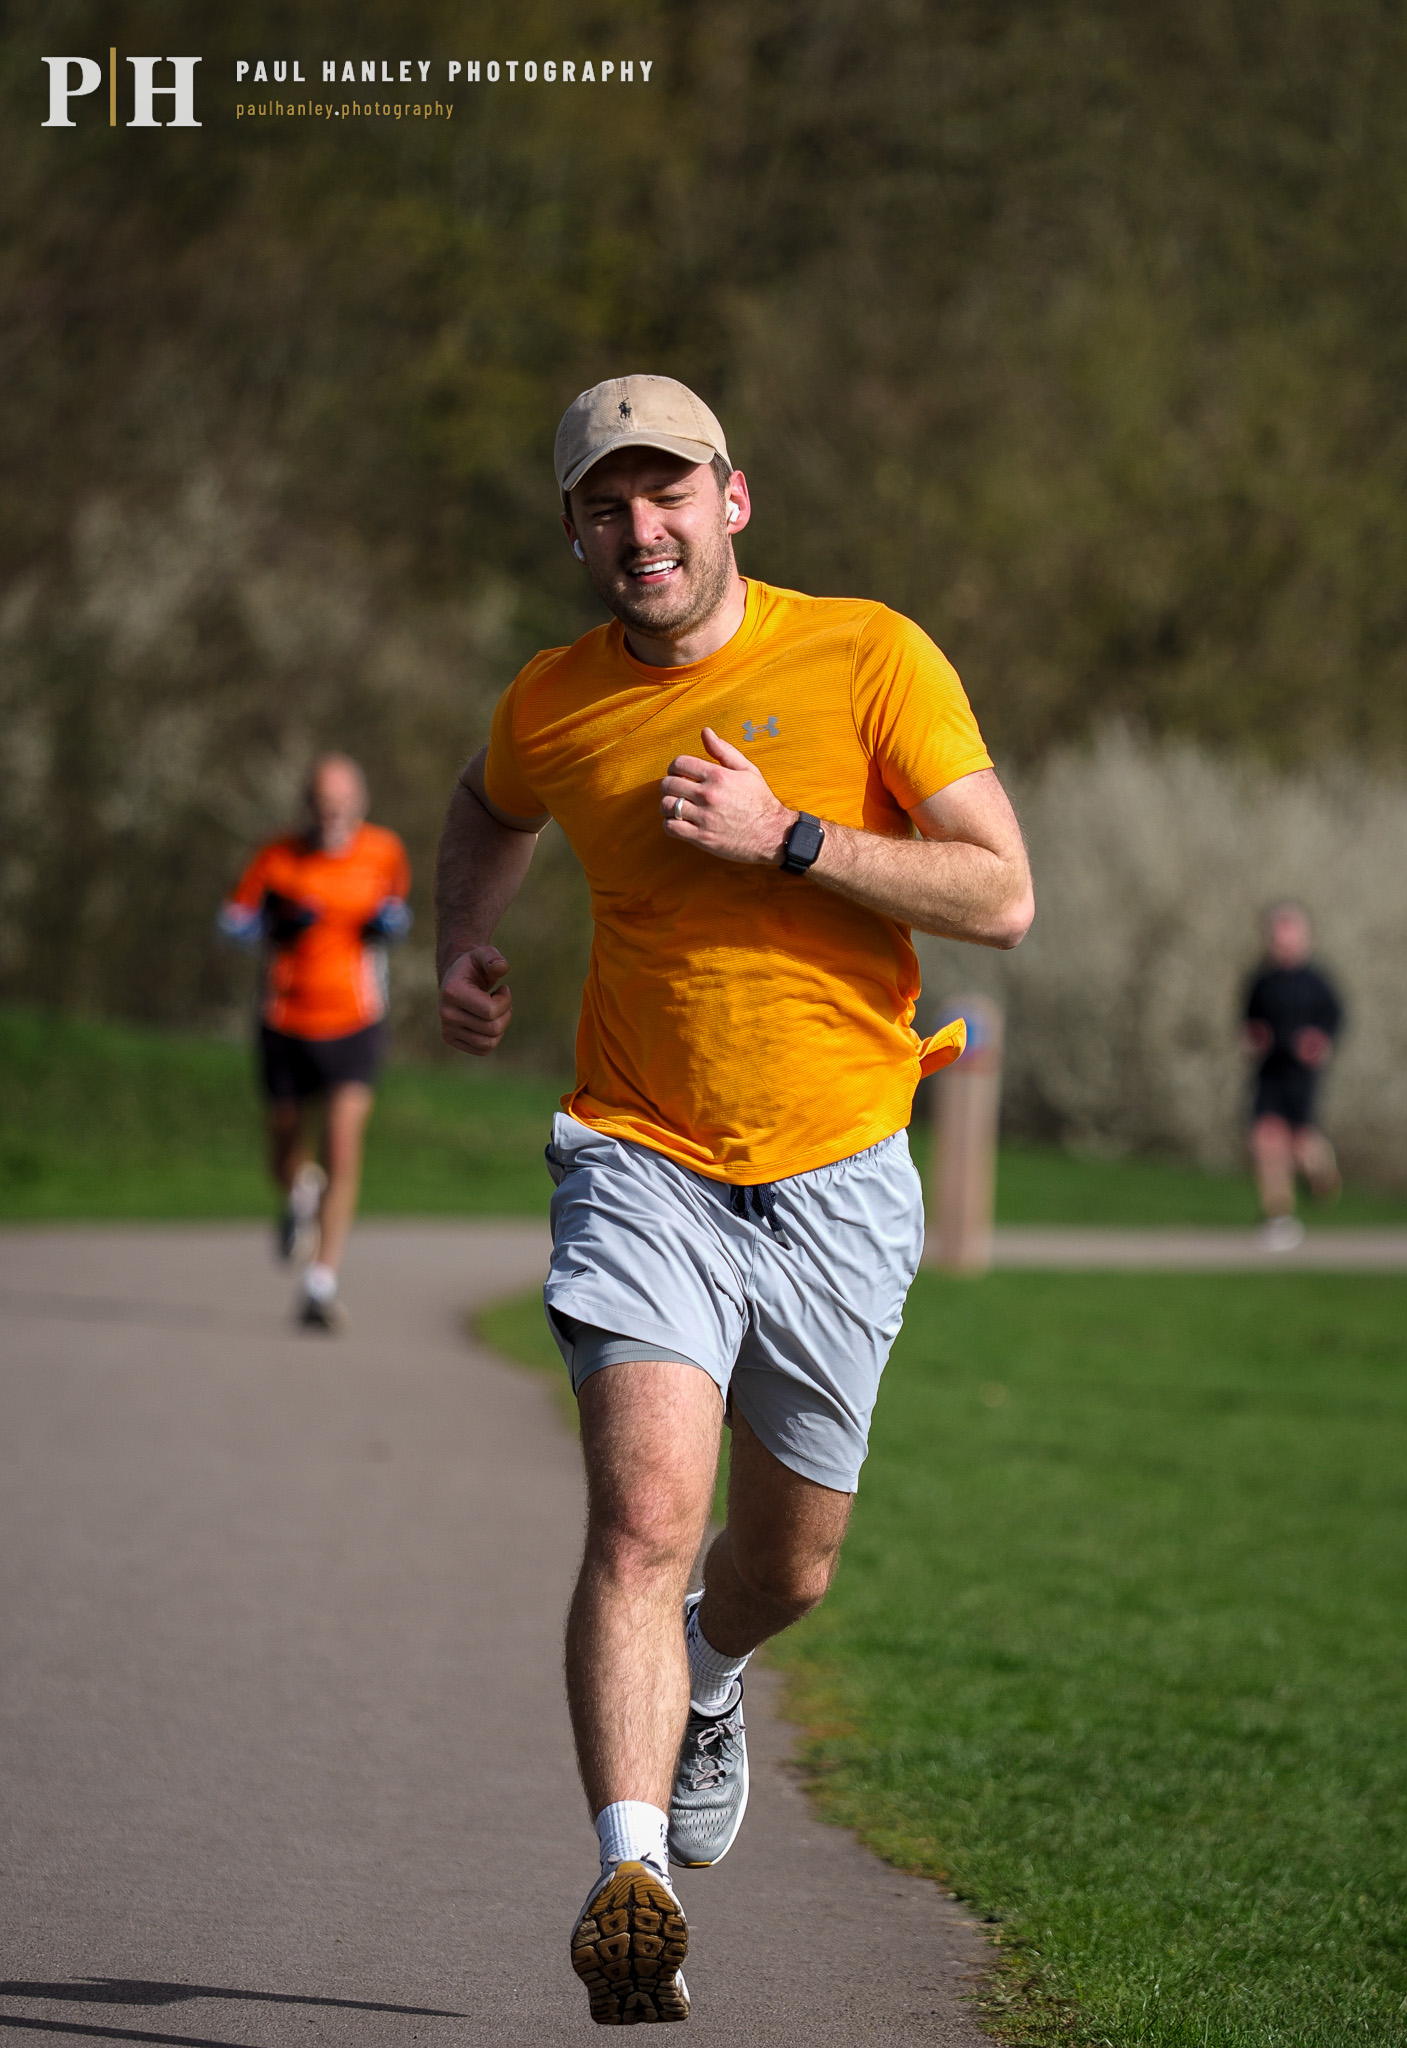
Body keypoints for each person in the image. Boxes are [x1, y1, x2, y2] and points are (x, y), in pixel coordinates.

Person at [433, 374, 1033, 2025]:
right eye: (608, 505)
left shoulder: (868, 654)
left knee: (784, 1568)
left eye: (669, 493)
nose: (643, 529)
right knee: (639, 1516)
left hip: (839, 1172)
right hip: (639, 1156)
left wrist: (791, 840)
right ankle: (631, 1877)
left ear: (733, 497)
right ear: (574, 529)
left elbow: (1003, 888)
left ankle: (713, 1670)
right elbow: (485, 807)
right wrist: (458, 943)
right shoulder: (553, 704)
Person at [219, 753, 412, 1331]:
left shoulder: (384, 851)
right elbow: (230, 921)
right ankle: (299, 1192)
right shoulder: (277, 856)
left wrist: (388, 924)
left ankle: (320, 1284)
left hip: (354, 1020)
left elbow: (397, 908)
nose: (332, 816)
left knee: (343, 1145)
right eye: (322, 806)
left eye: (342, 805)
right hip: (284, 1019)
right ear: (308, 807)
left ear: (361, 804)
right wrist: (268, 924)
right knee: (283, 1153)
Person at [1241, 901, 1344, 1249]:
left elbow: (1334, 1022)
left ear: (1305, 937)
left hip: (1301, 1075)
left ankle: (1323, 1173)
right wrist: (1253, 1037)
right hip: (1270, 1070)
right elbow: (1248, 1022)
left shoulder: (1317, 983)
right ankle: (1280, 1218)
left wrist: (1320, 1042)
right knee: (1266, 1140)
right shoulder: (1260, 981)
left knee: (1301, 1145)